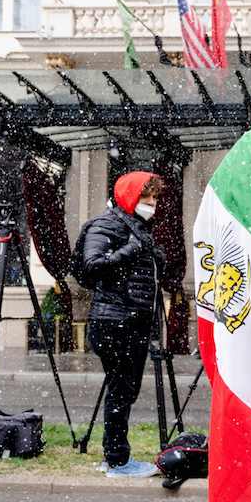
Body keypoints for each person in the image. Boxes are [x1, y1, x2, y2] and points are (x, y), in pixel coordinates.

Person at [79, 171, 165, 478]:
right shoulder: (107, 224)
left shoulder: (136, 227)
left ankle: (115, 456)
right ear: (130, 197)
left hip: (132, 321)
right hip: (115, 321)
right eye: (146, 198)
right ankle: (117, 460)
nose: (152, 204)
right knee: (120, 389)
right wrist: (130, 251)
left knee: (124, 390)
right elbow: (92, 265)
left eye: (155, 198)